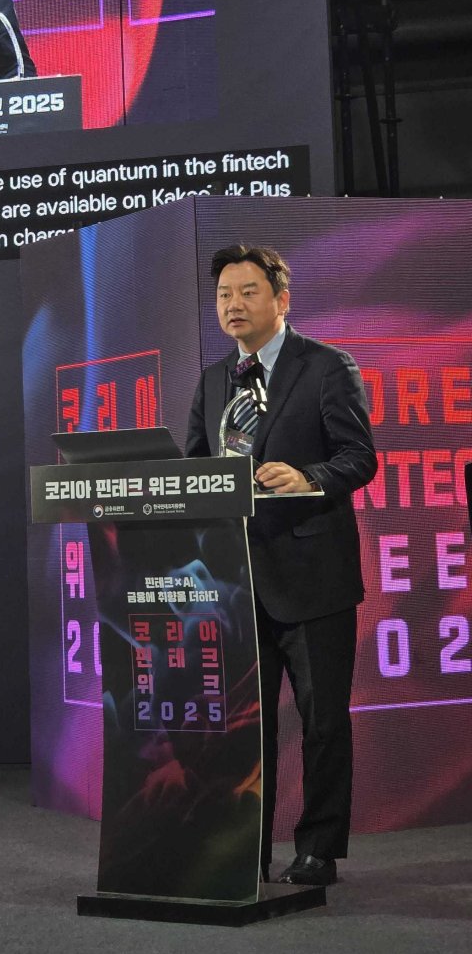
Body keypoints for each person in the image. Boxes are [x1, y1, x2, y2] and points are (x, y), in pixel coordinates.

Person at [186, 243, 377, 888]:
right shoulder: (213, 380)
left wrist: (307, 477)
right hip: (237, 582)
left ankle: (319, 849)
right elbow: (194, 470)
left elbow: (359, 456)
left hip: (313, 577)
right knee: (248, 729)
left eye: (247, 292)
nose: (233, 305)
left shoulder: (325, 367)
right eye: (224, 295)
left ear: (281, 300)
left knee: (322, 723)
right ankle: (249, 849)